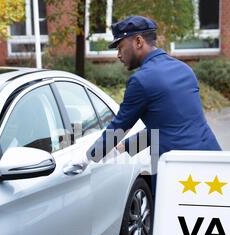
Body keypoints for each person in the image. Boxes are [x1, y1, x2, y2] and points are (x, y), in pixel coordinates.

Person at [72, 16, 221, 197]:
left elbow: (119, 127)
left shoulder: (141, 81)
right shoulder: (184, 69)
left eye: (120, 47)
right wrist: (124, 148)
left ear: (138, 41)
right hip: (212, 162)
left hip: (179, 173)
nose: (119, 55)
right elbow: (167, 127)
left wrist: (87, 158)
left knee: (172, 224)